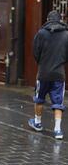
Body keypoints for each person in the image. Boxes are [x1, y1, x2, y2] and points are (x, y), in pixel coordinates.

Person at [29, 10, 68, 140]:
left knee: (39, 98)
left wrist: (42, 62)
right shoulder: (66, 34)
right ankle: (57, 130)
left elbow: (35, 51)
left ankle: (38, 122)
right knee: (58, 102)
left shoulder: (41, 33)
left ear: (47, 19)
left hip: (43, 72)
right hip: (59, 73)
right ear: (60, 20)